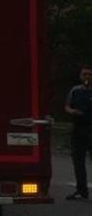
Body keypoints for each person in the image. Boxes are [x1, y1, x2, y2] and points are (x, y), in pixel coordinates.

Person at [65, 65, 92, 200]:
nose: (87, 77)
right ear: (81, 76)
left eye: (89, 75)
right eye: (84, 74)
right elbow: (67, 106)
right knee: (78, 162)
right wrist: (73, 111)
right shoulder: (75, 90)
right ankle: (82, 190)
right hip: (78, 130)